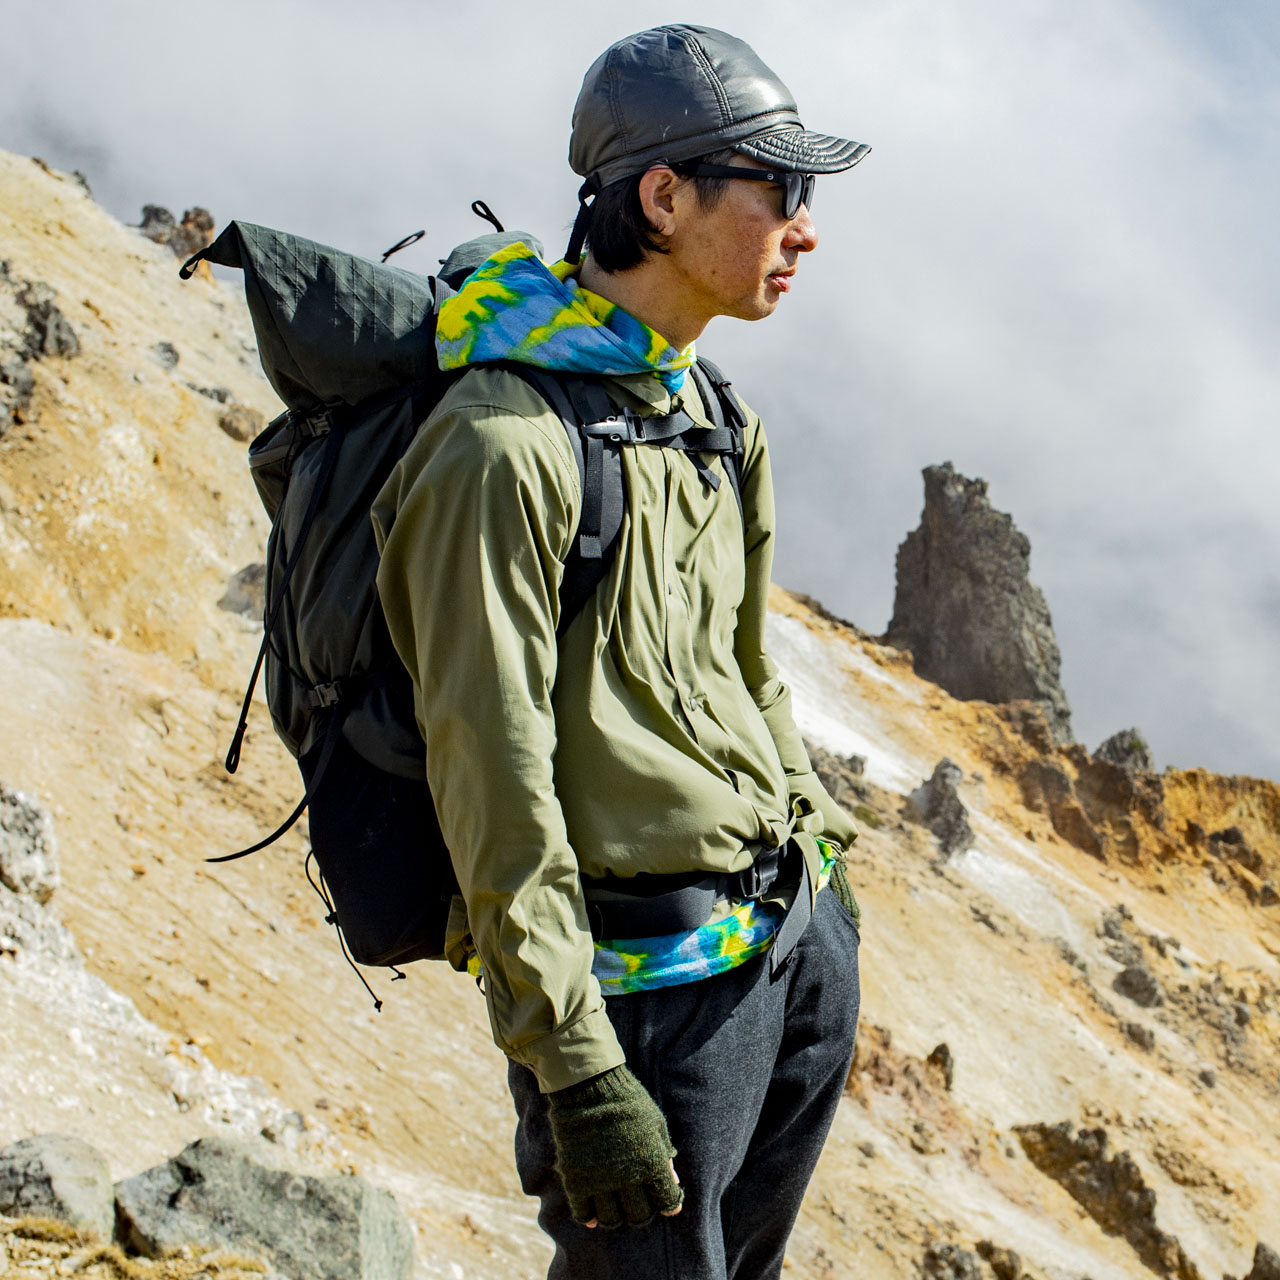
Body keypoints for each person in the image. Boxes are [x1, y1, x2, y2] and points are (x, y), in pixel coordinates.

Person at [372, 24, 869, 1280]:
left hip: (782, 944)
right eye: (781, 189)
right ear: (661, 196)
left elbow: (746, 669)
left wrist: (819, 870)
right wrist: (577, 1066)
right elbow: (488, 769)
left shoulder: (708, 414)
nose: (804, 228)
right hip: (642, 1000)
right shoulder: (500, 447)